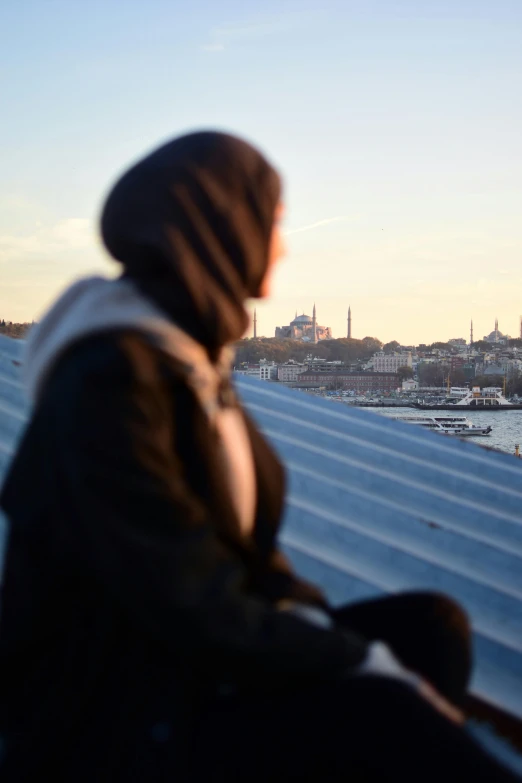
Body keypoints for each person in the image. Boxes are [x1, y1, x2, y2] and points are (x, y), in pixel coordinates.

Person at [0, 131, 519, 782]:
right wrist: (357, 665)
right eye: (274, 221)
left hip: (181, 659)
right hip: (117, 708)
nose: (284, 244)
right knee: (387, 704)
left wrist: (336, 640)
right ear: (222, 227)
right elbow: (186, 597)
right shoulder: (113, 379)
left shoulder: (189, 356)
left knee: (432, 628)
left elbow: (247, 559)